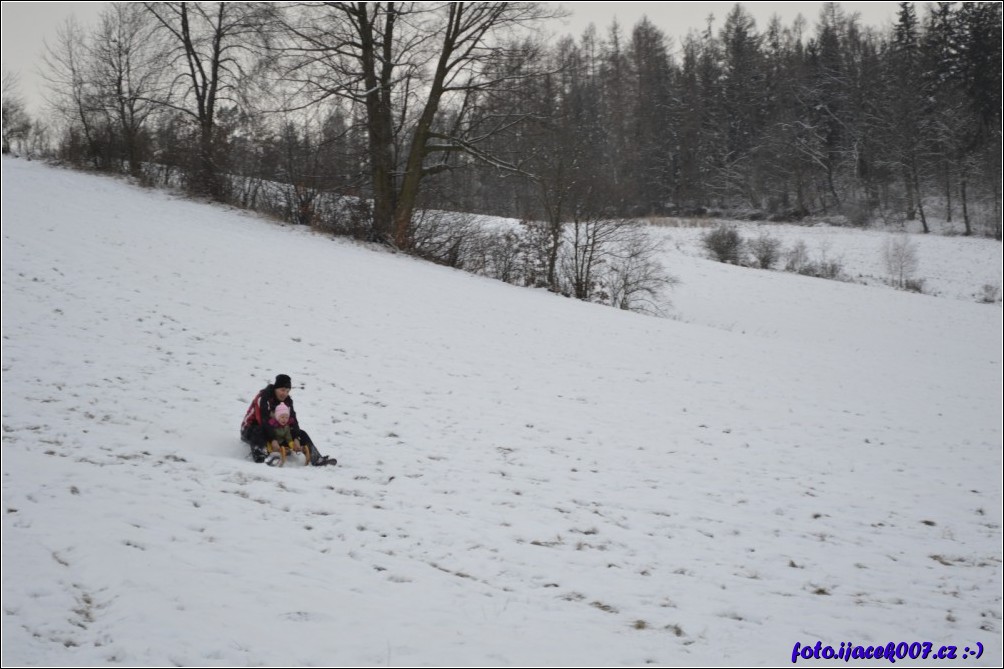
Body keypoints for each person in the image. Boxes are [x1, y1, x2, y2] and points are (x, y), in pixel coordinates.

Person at [240, 374, 336, 466]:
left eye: (287, 391)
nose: (285, 393)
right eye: (282, 390)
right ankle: (261, 457)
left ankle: (316, 459)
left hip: (274, 430)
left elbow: (293, 420)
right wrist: (273, 439)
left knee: (301, 433)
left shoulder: (287, 401)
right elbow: (263, 420)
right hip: (251, 430)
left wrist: (296, 438)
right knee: (259, 430)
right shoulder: (263, 398)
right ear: (275, 388)